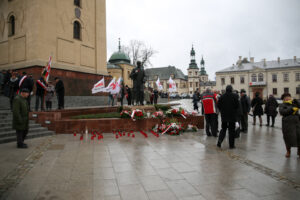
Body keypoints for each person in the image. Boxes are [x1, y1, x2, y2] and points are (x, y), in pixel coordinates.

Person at [279, 93, 300, 158]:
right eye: (286, 97)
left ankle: (299, 151)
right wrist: (292, 109)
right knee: (288, 138)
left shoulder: (293, 103)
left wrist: (297, 102)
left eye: (289, 96)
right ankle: (288, 151)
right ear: (283, 99)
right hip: (287, 124)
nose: (288, 98)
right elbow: (282, 112)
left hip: (296, 122)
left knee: (299, 136)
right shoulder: (282, 105)